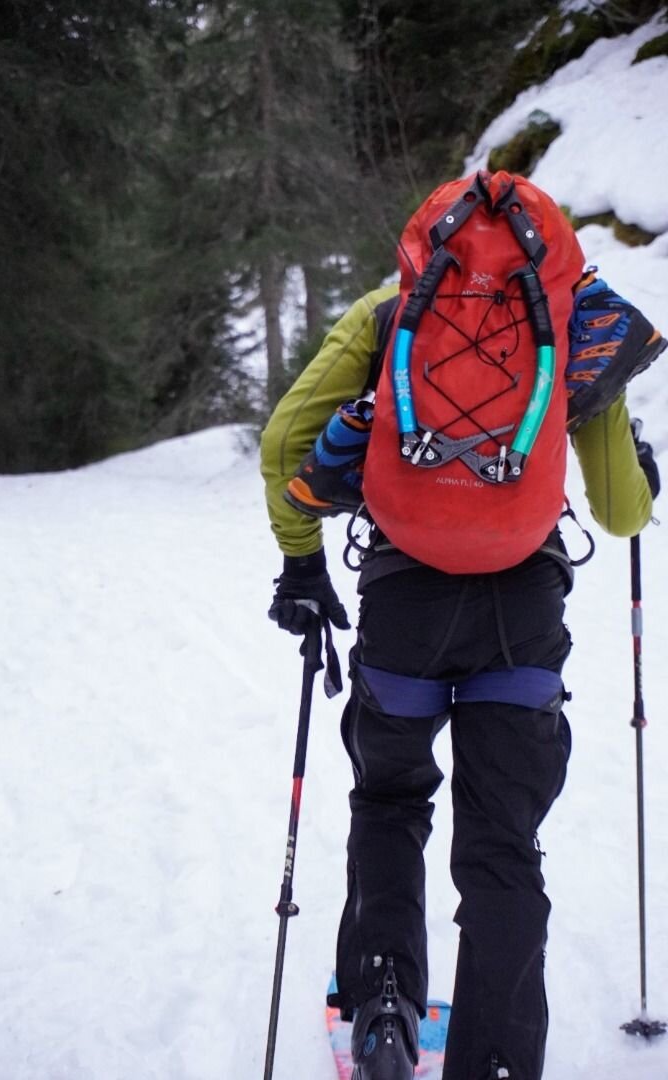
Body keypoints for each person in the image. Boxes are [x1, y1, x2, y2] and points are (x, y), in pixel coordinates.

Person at [260, 173, 662, 1080]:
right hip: (522, 616)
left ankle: (384, 1009)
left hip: (406, 606)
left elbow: (285, 444)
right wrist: (640, 472)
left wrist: (301, 561)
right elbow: (620, 511)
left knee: (390, 801)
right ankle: (498, 1062)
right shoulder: (573, 321)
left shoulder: (387, 313)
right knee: (503, 843)